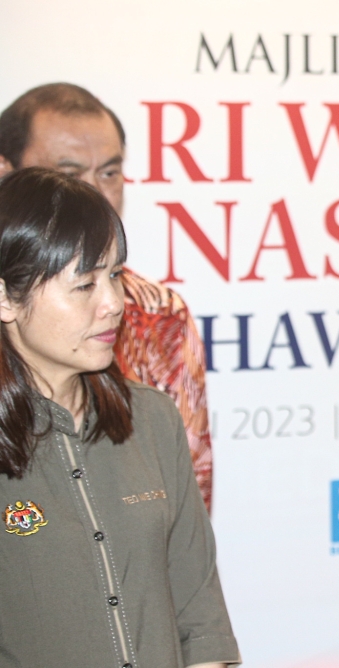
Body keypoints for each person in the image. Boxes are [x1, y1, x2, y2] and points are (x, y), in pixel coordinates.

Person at [0, 167, 238, 667]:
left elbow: (200, 614)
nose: (113, 304)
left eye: (114, 276)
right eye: (84, 285)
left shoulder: (152, 419)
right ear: (6, 297)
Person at [0, 83, 215, 510]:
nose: (95, 193)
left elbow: (187, 498)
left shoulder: (159, 315)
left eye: (109, 172)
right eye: (69, 174)